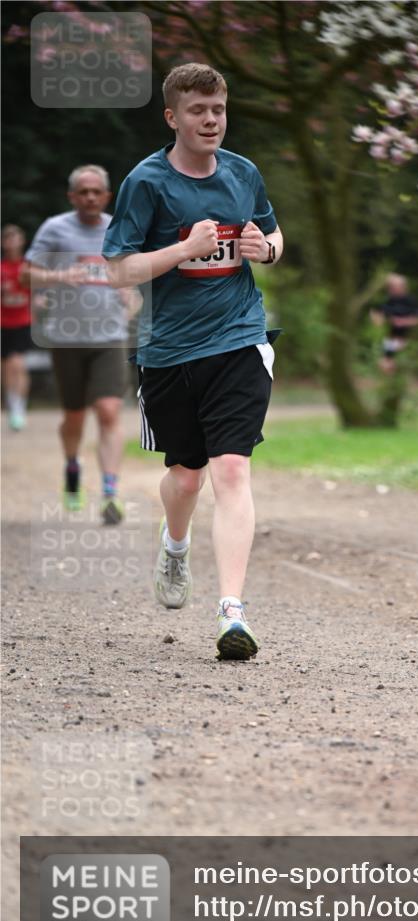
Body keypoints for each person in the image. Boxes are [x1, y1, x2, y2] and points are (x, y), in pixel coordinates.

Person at [102, 63, 283, 662]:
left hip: (240, 338)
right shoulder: (146, 183)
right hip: (169, 350)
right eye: (199, 111)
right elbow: (118, 269)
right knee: (186, 477)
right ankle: (174, 544)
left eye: (219, 110)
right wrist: (183, 249)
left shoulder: (243, 173)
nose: (211, 121)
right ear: (172, 117)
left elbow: (273, 236)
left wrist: (267, 249)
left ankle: (233, 612)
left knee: (231, 470)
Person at [23, 165, 131, 524]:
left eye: (96, 191)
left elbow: (132, 274)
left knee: (109, 411)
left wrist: (133, 298)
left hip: (110, 336)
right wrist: (58, 276)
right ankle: (72, 466)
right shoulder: (55, 228)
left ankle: (110, 493)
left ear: (106, 195)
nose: (90, 197)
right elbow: (26, 272)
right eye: (83, 192)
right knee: (74, 415)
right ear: (72, 197)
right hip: (67, 338)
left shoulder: (118, 228)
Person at [1, 224, 33, 431]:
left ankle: (20, 408)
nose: (12, 242)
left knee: (17, 365)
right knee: (5, 369)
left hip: (22, 322)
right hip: (3, 323)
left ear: (22, 241)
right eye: (7, 238)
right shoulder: (1, 268)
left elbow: (41, 292)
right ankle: (12, 404)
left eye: (15, 238)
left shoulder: (27, 267)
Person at [370, 273, 418, 374]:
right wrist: (377, 318)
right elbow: (378, 314)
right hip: (392, 335)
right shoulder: (389, 300)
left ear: (403, 287)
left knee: (391, 351)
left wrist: (403, 322)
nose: (391, 289)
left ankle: (389, 364)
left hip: (405, 335)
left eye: (394, 287)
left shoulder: (411, 301)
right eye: (390, 287)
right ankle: (387, 364)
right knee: (387, 353)